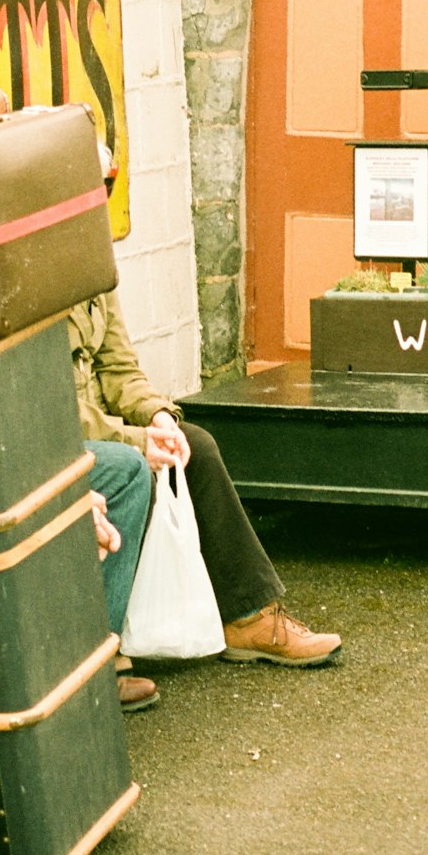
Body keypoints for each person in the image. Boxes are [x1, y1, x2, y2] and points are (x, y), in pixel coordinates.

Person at [73, 284, 342, 705]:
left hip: (102, 427)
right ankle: (99, 654)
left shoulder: (92, 276)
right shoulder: (37, 279)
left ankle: (247, 617)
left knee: (195, 446)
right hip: (63, 436)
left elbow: (119, 370)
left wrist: (159, 417)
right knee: (134, 468)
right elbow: (50, 408)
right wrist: (134, 439)